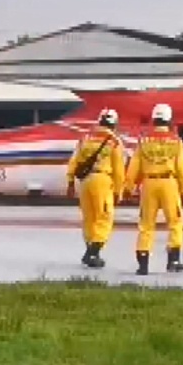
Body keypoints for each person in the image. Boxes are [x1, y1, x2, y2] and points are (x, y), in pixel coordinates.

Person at [125, 103, 183, 276]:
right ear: (169, 120)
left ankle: (143, 264)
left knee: (146, 225)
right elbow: (182, 169)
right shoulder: (176, 141)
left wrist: (129, 186)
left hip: (149, 183)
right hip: (169, 183)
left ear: (154, 119)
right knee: (175, 223)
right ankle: (173, 261)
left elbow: (134, 167)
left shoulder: (144, 141)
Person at [65, 108, 125, 269]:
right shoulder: (114, 141)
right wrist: (119, 190)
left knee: (89, 218)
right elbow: (118, 169)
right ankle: (92, 252)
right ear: (114, 124)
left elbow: (74, 160)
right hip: (102, 180)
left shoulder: (85, 138)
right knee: (104, 217)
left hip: (85, 182)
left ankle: (92, 253)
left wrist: (70, 182)